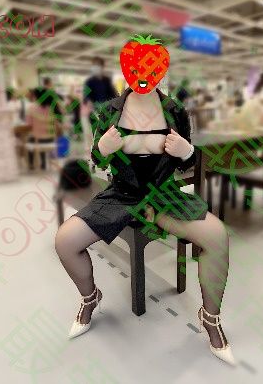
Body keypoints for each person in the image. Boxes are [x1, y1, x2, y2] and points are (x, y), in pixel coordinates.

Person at [55, 35, 234, 366]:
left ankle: (210, 318)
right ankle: (90, 297)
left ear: (161, 69)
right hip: (122, 192)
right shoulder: (108, 111)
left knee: (217, 235)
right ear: (126, 68)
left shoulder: (175, 110)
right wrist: (102, 149)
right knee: (65, 240)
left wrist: (188, 152)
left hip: (163, 193)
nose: (143, 75)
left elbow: (186, 161)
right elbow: (97, 159)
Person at [25, 87, 58, 170]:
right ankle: (43, 163)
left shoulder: (31, 108)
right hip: (50, 140)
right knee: (39, 137)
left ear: (35, 96)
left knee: (29, 141)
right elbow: (55, 124)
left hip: (37, 140)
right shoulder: (50, 108)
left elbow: (29, 124)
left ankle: (31, 164)